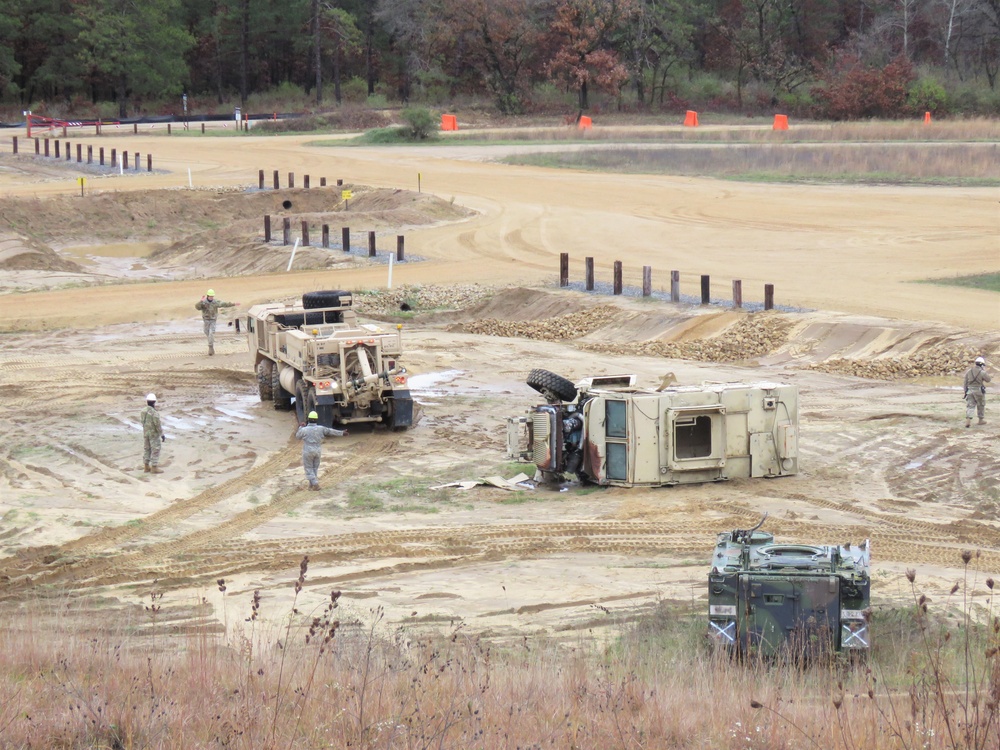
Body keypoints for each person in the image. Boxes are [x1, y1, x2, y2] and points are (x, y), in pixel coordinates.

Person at [295, 410, 347, 491]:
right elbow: (331, 431)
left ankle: (315, 484)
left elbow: (298, 436)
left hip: (308, 450)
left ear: (308, 419)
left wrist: (301, 427)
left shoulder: (304, 430)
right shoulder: (321, 428)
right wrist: (342, 433)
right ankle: (311, 485)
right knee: (315, 468)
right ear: (316, 419)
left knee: (309, 469)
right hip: (318, 450)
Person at [194, 288, 238, 356]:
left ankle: (210, 347)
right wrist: (201, 301)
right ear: (208, 296)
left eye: (212, 296)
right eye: (210, 296)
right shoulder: (204, 302)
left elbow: (224, 304)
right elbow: (197, 307)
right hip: (206, 320)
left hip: (213, 320)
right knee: (207, 332)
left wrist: (233, 304)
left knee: (211, 333)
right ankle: (211, 344)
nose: (211, 297)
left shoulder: (215, 302)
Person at [140, 393, 165, 474]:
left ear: (147, 401)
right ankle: (154, 467)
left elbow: (142, 422)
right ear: (154, 402)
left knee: (147, 449)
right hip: (153, 434)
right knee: (155, 449)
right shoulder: (154, 413)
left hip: (146, 433)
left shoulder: (143, 411)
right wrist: (162, 434)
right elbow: (157, 425)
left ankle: (146, 466)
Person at [963, 356, 991, 428]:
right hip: (978, 391)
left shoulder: (969, 371)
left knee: (970, 406)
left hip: (970, 390)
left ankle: (968, 420)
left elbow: (965, 382)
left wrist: (965, 391)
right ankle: (980, 420)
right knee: (981, 405)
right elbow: (988, 380)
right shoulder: (982, 372)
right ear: (982, 365)